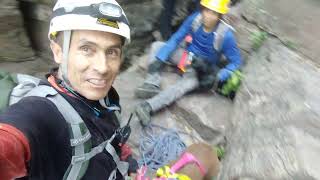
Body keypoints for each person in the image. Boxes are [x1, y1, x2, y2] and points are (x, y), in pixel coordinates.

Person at [0, 0, 138, 179]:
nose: (103, 67)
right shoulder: (40, 111)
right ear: (58, 52)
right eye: (87, 49)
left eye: (111, 52)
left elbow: (111, 133)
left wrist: (129, 161)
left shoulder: (105, 99)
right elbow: (10, 141)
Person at [134, 0, 243, 126]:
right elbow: (177, 38)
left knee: (184, 85)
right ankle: (151, 83)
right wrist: (160, 58)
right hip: (186, 57)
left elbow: (236, 62)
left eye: (214, 13)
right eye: (207, 10)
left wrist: (217, 77)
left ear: (220, 16)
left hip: (201, 70)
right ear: (202, 9)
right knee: (157, 46)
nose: (208, 15)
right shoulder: (195, 19)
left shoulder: (225, 35)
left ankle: (148, 106)